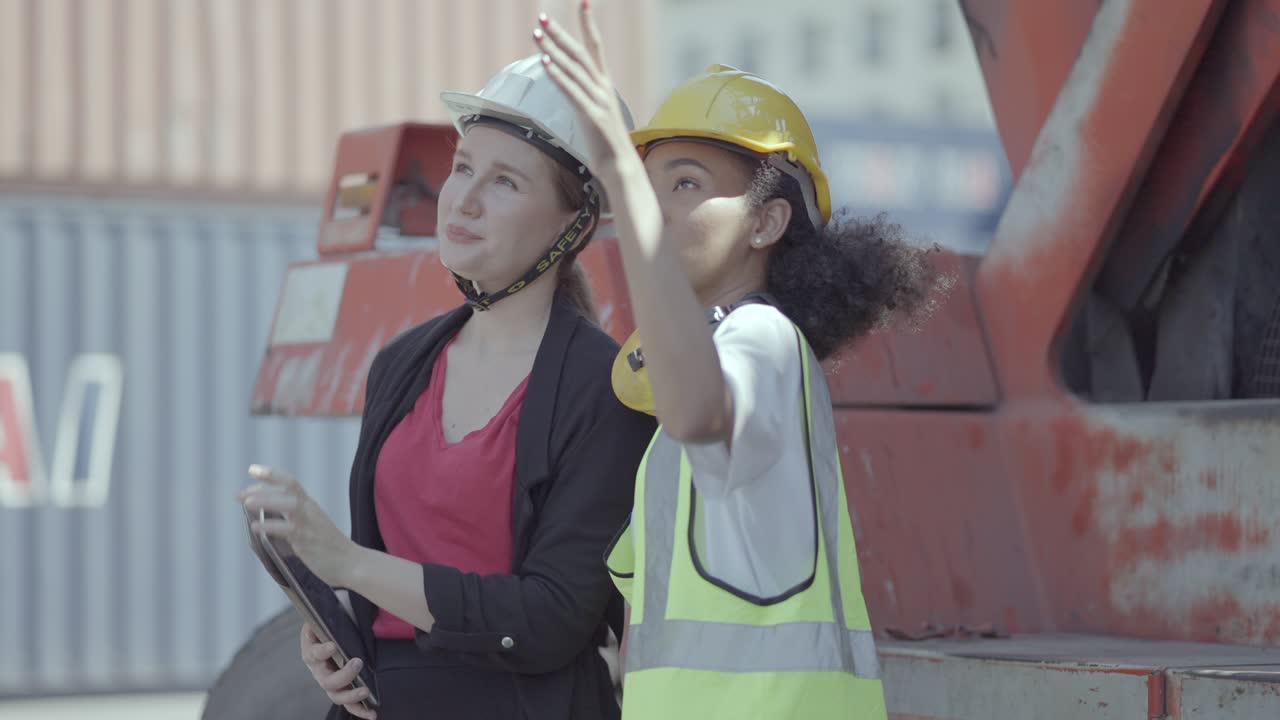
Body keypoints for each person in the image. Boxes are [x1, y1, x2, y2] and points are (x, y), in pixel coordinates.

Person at [533, 6, 945, 718]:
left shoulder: (765, 342)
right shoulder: (684, 391)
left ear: (766, 221)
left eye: (684, 184)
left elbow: (699, 410)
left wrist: (619, 182)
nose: (657, 205)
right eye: (648, 182)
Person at [239, 54, 656, 720]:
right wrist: (343, 624)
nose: (463, 199)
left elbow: (548, 620)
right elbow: (392, 570)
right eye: (462, 168)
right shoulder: (401, 364)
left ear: (570, 225)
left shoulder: (605, 391)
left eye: (505, 182)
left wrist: (347, 565)